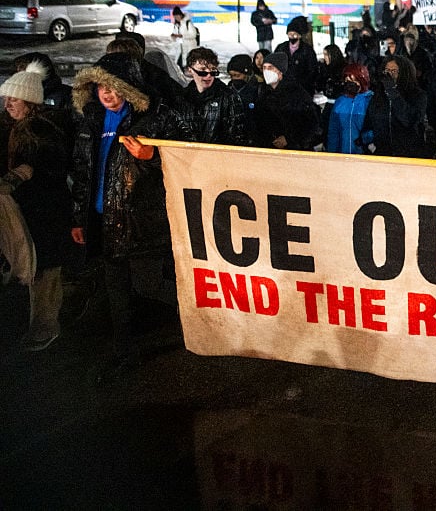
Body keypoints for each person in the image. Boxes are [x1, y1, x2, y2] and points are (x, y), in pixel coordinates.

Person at [70, 52, 193, 375]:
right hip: (103, 221)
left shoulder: (151, 119)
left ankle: (201, 325)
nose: (106, 94)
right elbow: (84, 171)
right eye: (100, 88)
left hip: (141, 222)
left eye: (112, 87)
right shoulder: (93, 121)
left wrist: (152, 155)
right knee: (117, 292)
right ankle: (124, 352)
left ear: (127, 88)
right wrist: (80, 218)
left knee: (151, 286)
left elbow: (186, 159)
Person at [0, 62, 72, 351]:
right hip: (29, 210)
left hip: (46, 211)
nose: (8, 104)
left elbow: (38, 167)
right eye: (6, 99)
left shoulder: (39, 131)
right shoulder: (17, 126)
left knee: (44, 272)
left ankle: (45, 329)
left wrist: (14, 179)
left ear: (30, 101)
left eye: (14, 99)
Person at [177, 47, 251, 146]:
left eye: (213, 71)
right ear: (190, 70)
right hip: (190, 157)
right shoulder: (182, 98)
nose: (208, 76)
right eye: (202, 71)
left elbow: (238, 136)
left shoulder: (228, 97)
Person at [363, 55, 432, 158]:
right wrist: (370, 145)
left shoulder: (418, 95)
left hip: (408, 155)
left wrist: (393, 92)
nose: (389, 75)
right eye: (386, 71)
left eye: (394, 71)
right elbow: (369, 122)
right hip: (381, 154)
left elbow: (409, 120)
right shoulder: (378, 95)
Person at [254, 52, 322, 151]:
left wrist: (289, 139)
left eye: (270, 68)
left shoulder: (296, 93)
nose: (266, 71)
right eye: (264, 68)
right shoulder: (264, 93)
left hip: (295, 150)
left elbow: (310, 124)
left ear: (280, 71)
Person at [326, 63, 373, 154]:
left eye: (353, 81)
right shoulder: (340, 102)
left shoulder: (371, 100)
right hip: (343, 154)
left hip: (364, 155)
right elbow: (333, 131)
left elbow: (377, 128)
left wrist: (364, 139)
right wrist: (331, 153)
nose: (350, 84)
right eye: (347, 81)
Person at [274, 17, 318, 95]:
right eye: (290, 34)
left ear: (299, 36)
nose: (292, 37)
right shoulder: (281, 48)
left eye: (294, 35)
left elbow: (312, 69)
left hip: (303, 88)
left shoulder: (307, 50)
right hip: (285, 87)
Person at [226, 53, 261, 142]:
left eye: (237, 75)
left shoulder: (258, 90)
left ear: (247, 74)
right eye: (231, 76)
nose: (234, 79)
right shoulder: (228, 91)